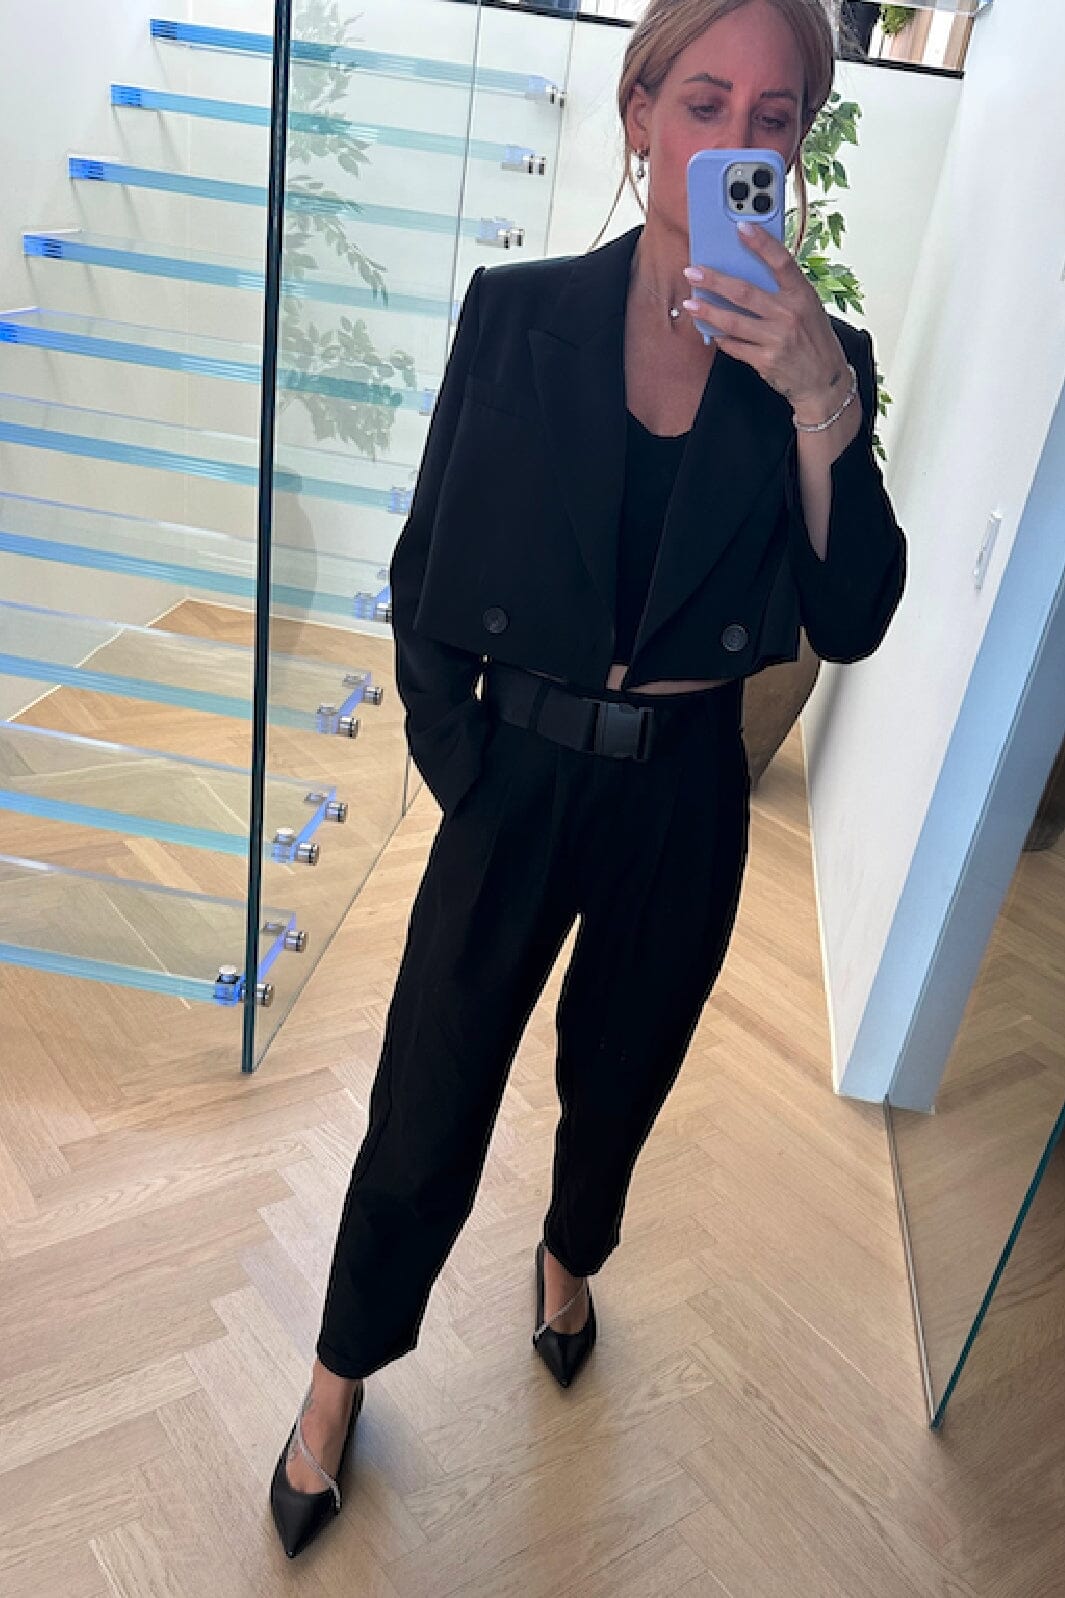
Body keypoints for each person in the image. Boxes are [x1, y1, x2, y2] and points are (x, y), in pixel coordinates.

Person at [270, 0, 906, 1558]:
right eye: (703, 102)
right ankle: (340, 1370)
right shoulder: (517, 315)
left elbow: (850, 617)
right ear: (638, 115)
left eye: (773, 119)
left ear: (795, 151)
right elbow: (424, 568)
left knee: (618, 1078)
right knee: (427, 1094)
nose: (735, 140)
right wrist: (463, 763)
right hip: (515, 776)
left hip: (681, 796)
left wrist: (819, 401)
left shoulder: (819, 367)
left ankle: (569, 1256)